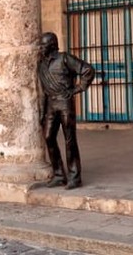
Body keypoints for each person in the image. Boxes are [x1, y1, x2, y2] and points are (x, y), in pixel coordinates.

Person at [38, 32, 98, 189]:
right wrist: (43, 113)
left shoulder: (65, 58)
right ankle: (59, 174)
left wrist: (77, 89)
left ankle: (74, 177)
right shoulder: (41, 64)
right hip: (51, 104)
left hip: (65, 103)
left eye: (43, 46)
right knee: (48, 137)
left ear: (51, 46)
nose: (40, 48)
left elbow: (88, 70)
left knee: (69, 140)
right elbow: (44, 90)